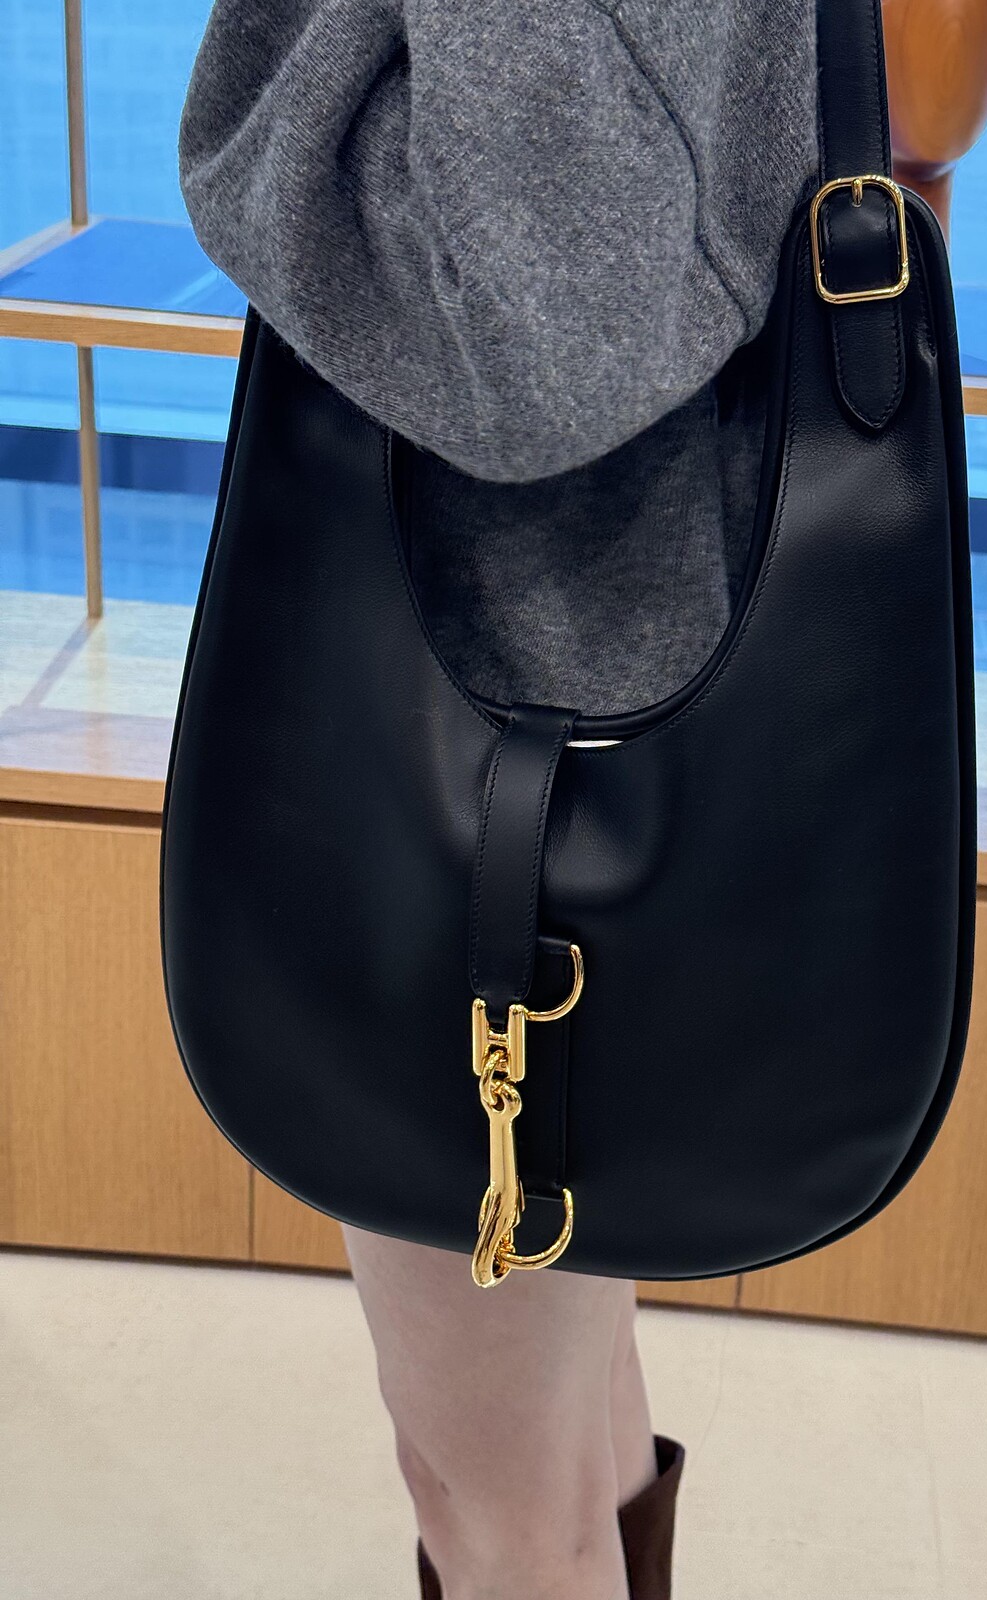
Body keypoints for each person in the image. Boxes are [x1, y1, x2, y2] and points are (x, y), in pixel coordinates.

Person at [180, 4, 820, 1596]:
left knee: (493, 1503)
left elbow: (536, 343)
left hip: (491, 710)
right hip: (632, 653)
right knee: (564, 1435)